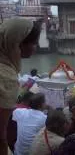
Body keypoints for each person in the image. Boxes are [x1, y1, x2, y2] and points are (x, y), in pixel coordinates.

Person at [0, 18, 41, 155]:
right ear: (17, 44)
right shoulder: (6, 78)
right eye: (34, 43)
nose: (36, 47)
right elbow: (1, 134)